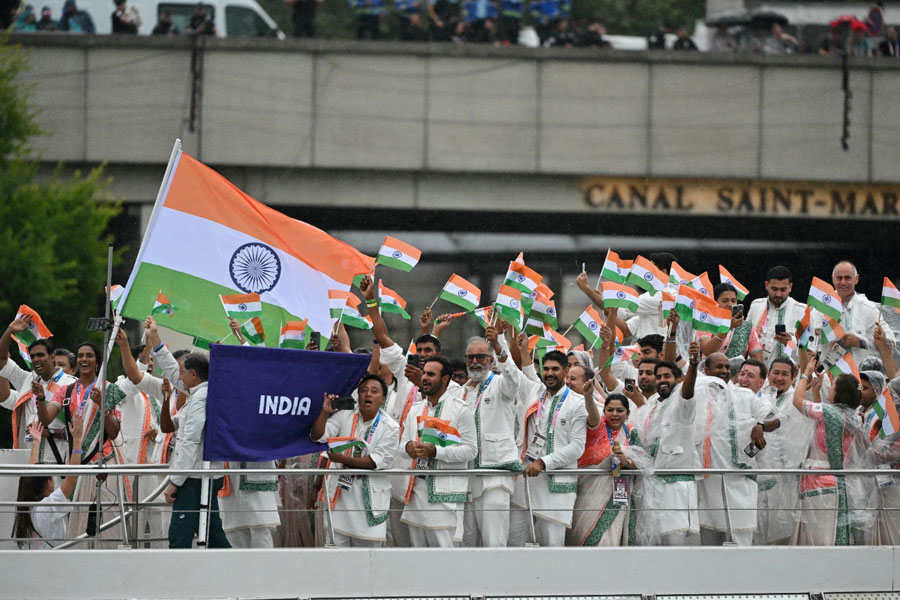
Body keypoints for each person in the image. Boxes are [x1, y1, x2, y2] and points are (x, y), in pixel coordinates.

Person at [501, 342, 587, 547]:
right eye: (546, 369)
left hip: (556, 488)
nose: (549, 373)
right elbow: (512, 372)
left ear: (566, 371)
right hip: (526, 483)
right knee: (514, 542)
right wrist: (499, 344)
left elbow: (577, 447)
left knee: (552, 547)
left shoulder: (577, 403)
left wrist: (543, 462)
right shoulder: (534, 391)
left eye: (555, 369)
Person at [359, 276, 421, 547]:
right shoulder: (404, 381)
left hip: (427, 478)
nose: (423, 372)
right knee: (392, 540)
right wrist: (371, 302)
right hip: (395, 474)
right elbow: (383, 337)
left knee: (427, 545)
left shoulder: (454, 391)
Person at [42, 341, 124, 544]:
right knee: (77, 522)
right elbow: (45, 419)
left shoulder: (109, 389)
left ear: (97, 362)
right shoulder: (66, 391)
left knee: (106, 522)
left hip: (103, 462)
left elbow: (114, 433)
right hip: (76, 464)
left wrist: (102, 406)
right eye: (80, 356)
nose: (84, 359)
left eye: (89, 355)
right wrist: (39, 399)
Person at [694, 352, 779, 546]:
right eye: (718, 367)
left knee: (740, 542)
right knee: (709, 545)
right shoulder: (698, 396)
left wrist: (760, 426)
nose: (724, 371)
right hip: (708, 482)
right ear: (706, 370)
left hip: (739, 481)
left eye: (726, 367)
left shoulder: (744, 395)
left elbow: (775, 418)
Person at [452, 325, 525, 547]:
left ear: (491, 361)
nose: (475, 361)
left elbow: (515, 379)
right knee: (466, 543)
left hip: (494, 474)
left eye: (481, 357)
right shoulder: (458, 392)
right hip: (465, 477)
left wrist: (499, 346)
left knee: (494, 542)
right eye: (471, 357)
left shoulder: (501, 385)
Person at [310, 374, 399, 546]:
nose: (368, 395)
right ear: (357, 396)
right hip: (340, 501)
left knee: (367, 561)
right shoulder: (345, 415)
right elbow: (318, 437)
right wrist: (325, 412)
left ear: (383, 399)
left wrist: (340, 459)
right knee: (335, 557)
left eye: (374, 391)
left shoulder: (391, 427)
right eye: (364, 390)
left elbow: (374, 462)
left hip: (369, 506)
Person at [793, 358, 873, 545]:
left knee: (819, 541)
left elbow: (797, 401)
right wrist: (815, 390)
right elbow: (824, 423)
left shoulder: (829, 413)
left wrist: (805, 373)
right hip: (834, 482)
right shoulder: (851, 416)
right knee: (829, 536)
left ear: (839, 392)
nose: (828, 387)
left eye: (832, 385)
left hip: (819, 481)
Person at [399, 356, 476, 547]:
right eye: (424, 373)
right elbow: (400, 447)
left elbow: (471, 450)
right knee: (418, 558)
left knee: (446, 558)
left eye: (431, 374)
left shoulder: (460, 410)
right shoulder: (415, 409)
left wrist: (436, 452)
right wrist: (409, 447)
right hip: (416, 494)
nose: (424, 378)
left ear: (445, 379)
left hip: (445, 496)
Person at [634, 349, 699, 546]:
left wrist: (694, 366)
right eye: (659, 376)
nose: (662, 380)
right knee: (653, 548)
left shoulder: (682, 404)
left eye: (667, 376)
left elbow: (688, 391)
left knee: (675, 545)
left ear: (678, 380)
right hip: (652, 487)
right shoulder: (651, 406)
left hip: (676, 488)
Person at [164, 353, 231, 548]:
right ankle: (235, 574)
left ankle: (177, 576)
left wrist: (175, 482)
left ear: (193, 374)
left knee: (179, 535)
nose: (179, 377)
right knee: (213, 533)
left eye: (182, 373)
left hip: (194, 479)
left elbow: (191, 441)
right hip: (202, 475)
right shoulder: (204, 394)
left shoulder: (200, 397)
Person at [569, 391, 643, 546]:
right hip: (589, 493)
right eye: (610, 410)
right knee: (585, 535)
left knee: (612, 538)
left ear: (628, 413)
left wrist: (626, 462)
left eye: (620, 410)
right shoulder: (596, 428)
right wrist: (588, 396)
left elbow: (643, 463)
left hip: (619, 493)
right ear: (604, 412)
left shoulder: (631, 432)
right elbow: (592, 412)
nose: (614, 414)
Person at [754, 356, 813, 545]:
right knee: (757, 530)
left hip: (787, 477)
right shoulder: (758, 396)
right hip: (759, 473)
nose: (779, 378)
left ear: (793, 377)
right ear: (768, 374)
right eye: (775, 372)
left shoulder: (796, 399)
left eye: (785, 374)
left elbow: (783, 425)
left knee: (782, 534)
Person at [0, 316, 76, 460]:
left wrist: (50, 432)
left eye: (40, 355)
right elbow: (1, 360)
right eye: (33, 356)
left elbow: (80, 429)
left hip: (57, 461)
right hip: (27, 460)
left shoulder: (71, 384)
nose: (36, 359)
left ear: (52, 357)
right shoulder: (28, 379)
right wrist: (9, 331)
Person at [13, 416, 84, 549]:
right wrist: (77, 440)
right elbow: (72, 476)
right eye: (51, 477)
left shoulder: (27, 508)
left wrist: (36, 442)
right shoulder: (48, 507)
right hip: (54, 561)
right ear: (46, 484)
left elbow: (32, 474)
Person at [830, 260, 894, 367]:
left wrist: (861, 342)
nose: (843, 282)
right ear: (833, 279)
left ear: (856, 279)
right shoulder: (821, 305)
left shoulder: (868, 309)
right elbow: (809, 341)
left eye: (848, 278)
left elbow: (890, 344)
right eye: (839, 278)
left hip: (860, 375)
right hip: (828, 376)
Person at [747, 265, 809, 367]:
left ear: (790, 287)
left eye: (783, 289)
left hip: (787, 374)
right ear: (766, 285)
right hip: (756, 372)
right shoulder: (755, 306)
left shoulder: (802, 311)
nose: (778, 294)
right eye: (774, 289)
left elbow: (810, 351)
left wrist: (790, 343)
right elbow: (746, 339)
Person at [697, 284, 763, 363]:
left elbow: (758, 358)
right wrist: (727, 328)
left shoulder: (745, 326)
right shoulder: (707, 322)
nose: (730, 305)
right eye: (725, 301)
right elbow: (707, 351)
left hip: (738, 374)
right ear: (715, 302)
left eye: (733, 301)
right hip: (711, 373)